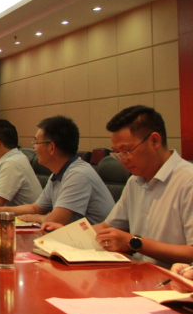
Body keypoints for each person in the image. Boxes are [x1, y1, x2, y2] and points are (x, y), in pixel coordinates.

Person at [45, 106, 193, 268]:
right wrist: (65, 234)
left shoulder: (188, 181)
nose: (122, 160)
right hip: (138, 272)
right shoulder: (135, 181)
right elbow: (106, 227)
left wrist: (135, 243)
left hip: (174, 279)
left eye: (127, 151)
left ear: (155, 141)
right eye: (117, 153)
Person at [0, 116, 113, 225]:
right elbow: (35, 208)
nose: (34, 149)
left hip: (93, 244)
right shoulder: (58, 173)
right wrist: (0, 210)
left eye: (36, 143)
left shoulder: (77, 175)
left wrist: (36, 218)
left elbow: (55, 220)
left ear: (51, 148)